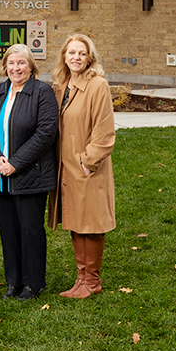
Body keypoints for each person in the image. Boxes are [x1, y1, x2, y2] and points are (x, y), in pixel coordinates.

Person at [0, 43, 59, 300]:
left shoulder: (42, 92)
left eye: (21, 63)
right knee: (8, 230)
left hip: (30, 174)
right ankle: (13, 281)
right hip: (0, 176)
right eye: (11, 63)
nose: (16, 68)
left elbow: (46, 133)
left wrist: (16, 162)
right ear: (5, 67)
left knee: (30, 230)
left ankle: (33, 283)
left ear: (31, 66)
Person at [48, 33, 116, 299]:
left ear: (90, 58)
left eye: (82, 53)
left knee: (91, 223)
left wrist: (87, 162)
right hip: (66, 168)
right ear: (64, 56)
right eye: (71, 52)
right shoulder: (61, 85)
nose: (76, 57)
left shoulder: (97, 85)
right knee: (76, 221)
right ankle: (81, 279)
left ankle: (92, 281)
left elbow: (104, 131)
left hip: (88, 168)